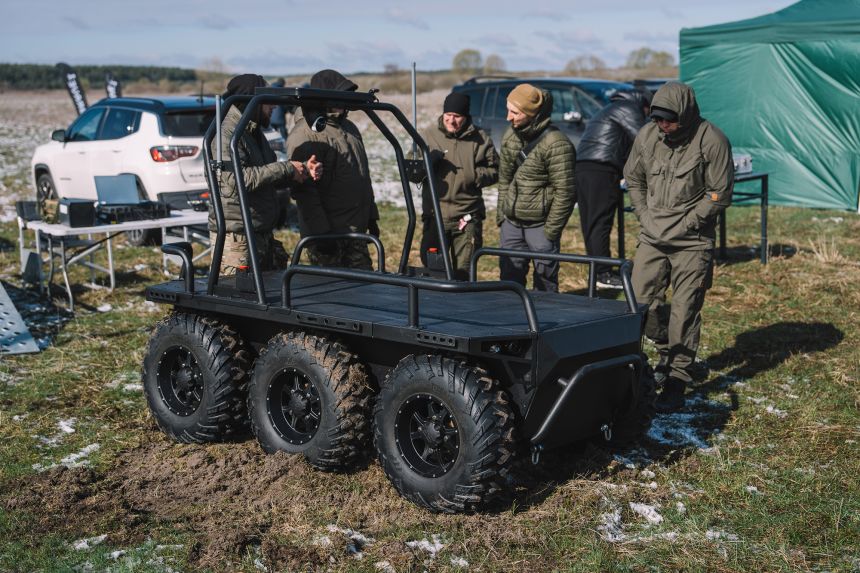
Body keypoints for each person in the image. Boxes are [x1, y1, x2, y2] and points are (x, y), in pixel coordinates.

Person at [624, 81, 734, 412]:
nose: (662, 126)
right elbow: (634, 177)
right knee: (642, 305)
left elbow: (719, 193)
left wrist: (688, 223)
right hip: (652, 239)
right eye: (657, 119)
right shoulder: (647, 137)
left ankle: (677, 379)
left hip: (693, 242)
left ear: (684, 116)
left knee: (685, 312)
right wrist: (644, 215)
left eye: (668, 120)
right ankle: (661, 353)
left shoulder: (712, 140)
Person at [209, 73, 322, 275]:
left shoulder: (251, 132)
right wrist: (287, 168)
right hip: (238, 239)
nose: (274, 107)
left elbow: (264, 177)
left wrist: (300, 170)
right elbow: (234, 182)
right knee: (237, 302)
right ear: (251, 103)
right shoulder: (227, 135)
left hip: (259, 233)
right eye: (268, 102)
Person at [286, 69, 379, 270]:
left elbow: (362, 176)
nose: (342, 102)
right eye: (337, 96)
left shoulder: (349, 128)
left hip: (355, 231)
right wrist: (322, 236)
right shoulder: (306, 134)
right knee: (332, 295)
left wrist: (371, 216)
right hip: (329, 235)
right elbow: (304, 190)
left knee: (366, 291)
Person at [497, 83, 576, 292]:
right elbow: (504, 178)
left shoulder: (556, 144)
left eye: (514, 112)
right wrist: (501, 217)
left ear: (532, 114)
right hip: (511, 225)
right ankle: (512, 323)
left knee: (545, 284)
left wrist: (550, 231)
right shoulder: (510, 136)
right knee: (508, 283)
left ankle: (543, 323)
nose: (508, 117)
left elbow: (566, 192)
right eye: (507, 110)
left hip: (541, 228)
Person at [409, 91, 498, 273]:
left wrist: (474, 175)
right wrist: (426, 164)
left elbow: (496, 170)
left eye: (457, 116)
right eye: (448, 115)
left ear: (465, 117)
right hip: (435, 216)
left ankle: (465, 300)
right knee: (435, 271)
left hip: (467, 217)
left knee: (464, 272)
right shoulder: (427, 136)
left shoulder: (480, 139)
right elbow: (410, 171)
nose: (451, 120)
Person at [575, 89, 652, 289]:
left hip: (585, 166)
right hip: (602, 169)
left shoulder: (611, 107)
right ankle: (604, 274)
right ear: (644, 104)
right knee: (601, 223)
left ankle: (598, 269)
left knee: (592, 224)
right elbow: (643, 138)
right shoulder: (629, 108)